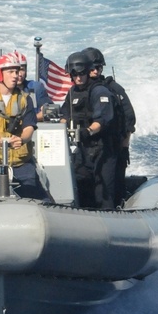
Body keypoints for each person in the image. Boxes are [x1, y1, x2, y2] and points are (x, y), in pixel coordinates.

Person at [0, 52, 49, 200]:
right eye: (11, 72)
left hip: (21, 162)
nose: (16, 75)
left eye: (17, 71)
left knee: (39, 200)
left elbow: (29, 127)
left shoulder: (25, 100)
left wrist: (22, 139)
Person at [61, 50, 117, 209]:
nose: (78, 78)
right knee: (82, 190)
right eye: (74, 74)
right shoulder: (72, 92)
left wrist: (87, 131)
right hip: (81, 150)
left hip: (102, 150)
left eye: (82, 73)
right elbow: (64, 115)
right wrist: (65, 127)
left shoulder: (99, 91)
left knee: (103, 194)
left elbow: (102, 120)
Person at [83, 47, 136, 206]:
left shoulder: (113, 89)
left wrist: (123, 146)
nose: (95, 71)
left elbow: (129, 119)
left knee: (111, 191)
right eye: (91, 67)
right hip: (85, 149)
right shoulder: (78, 92)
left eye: (98, 67)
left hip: (111, 147)